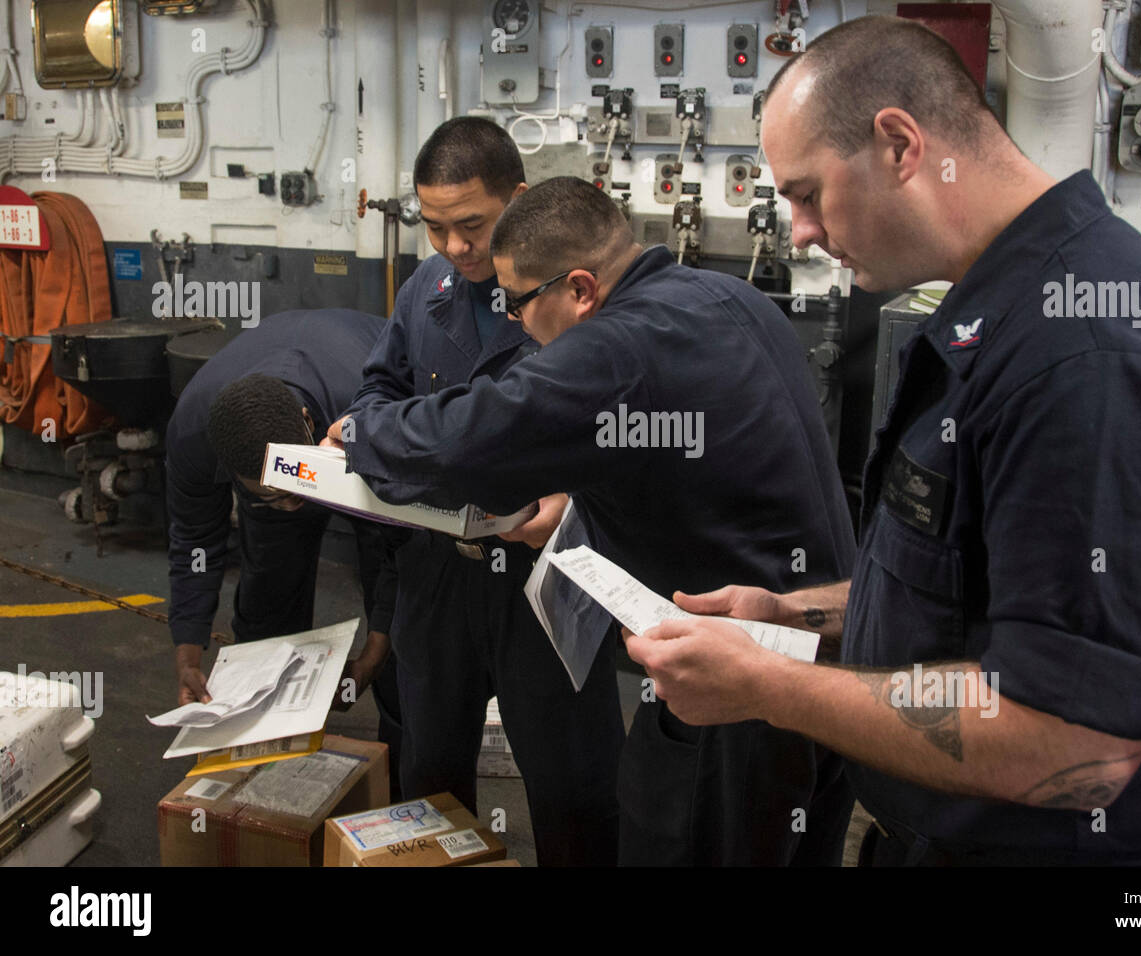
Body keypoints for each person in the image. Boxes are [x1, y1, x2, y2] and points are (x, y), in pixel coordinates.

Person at [624, 15, 1141, 866]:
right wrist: (791, 619)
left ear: (898, 144)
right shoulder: (1007, 306)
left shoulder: (1088, 362)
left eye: (807, 193)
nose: (801, 231)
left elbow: (1079, 747)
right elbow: (969, 589)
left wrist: (768, 687)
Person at [330, 175, 858, 866]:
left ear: (579, 289)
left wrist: (360, 435)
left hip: (733, 701)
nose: (515, 321)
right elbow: (681, 460)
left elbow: (475, 438)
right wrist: (580, 506)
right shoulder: (725, 298)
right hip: (826, 671)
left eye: (519, 302)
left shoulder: (617, 344)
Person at [338, 118, 626, 867]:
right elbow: (377, 392)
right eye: (435, 228)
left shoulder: (579, 295)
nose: (456, 249)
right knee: (427, 772)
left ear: (520, 200)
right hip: (437, 569)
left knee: (572, 784)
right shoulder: (427, 289)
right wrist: (373, 438)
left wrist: (581, 505)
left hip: (545, 575)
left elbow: (629, 439)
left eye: (472, 225)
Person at [166, 309, 402, 794]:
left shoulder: (371, 408)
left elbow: (397, 546)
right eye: (268, 492)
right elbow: (194, 539)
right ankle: (263, 769)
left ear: (306, 422)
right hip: (287, 450)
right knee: (266, 606)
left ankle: (400, 780)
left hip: (353, 439)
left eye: (291, 486)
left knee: (405, 646)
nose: (293, 505)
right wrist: (188, 649)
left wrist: (375, 652)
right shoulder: (195, 435)